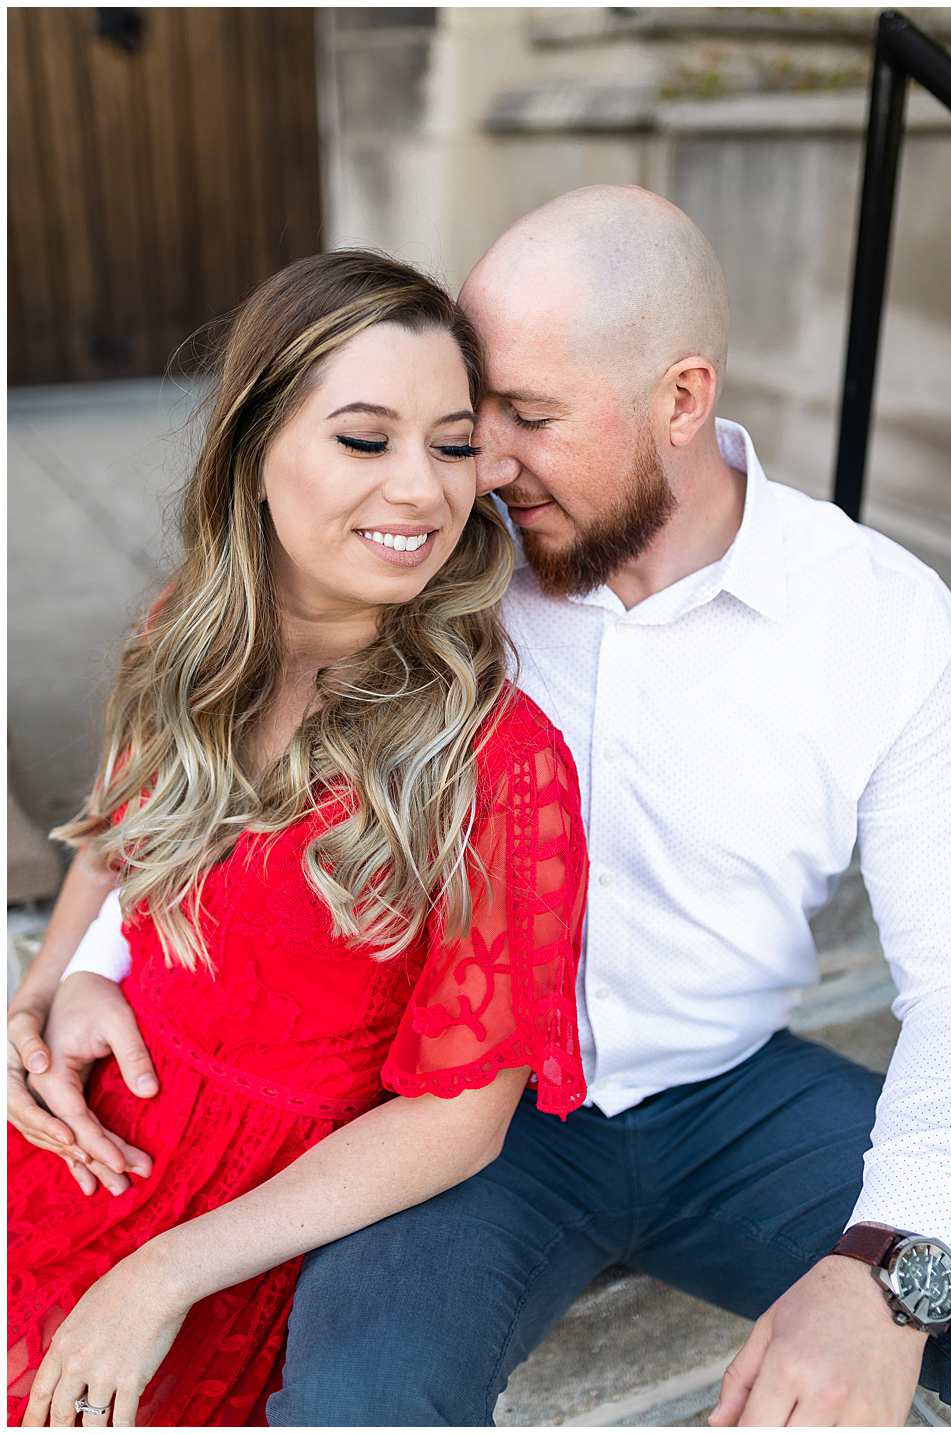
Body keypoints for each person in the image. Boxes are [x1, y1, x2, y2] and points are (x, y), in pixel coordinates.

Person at [12, 186, 951, 1426]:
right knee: (362, 1397)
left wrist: (893, 1276)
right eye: (471, 421)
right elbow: (184, 724)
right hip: (472, 1132)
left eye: (520, 419)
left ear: (680, 400)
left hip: (727, 1094)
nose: (477, 467)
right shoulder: (418, 552)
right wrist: (67, 966)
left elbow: (944, 986)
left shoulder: (878, 618)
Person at [5, 251, 589, 1426]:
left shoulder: (502, 765)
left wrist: (162, 1276)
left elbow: (458, 1118)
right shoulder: (187, 634)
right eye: (366, 441)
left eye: (452, 443)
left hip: (259, 1220)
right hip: (92, 1135)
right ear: (254, 449)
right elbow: (120, 838)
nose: (422, 492)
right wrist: (55, 989)